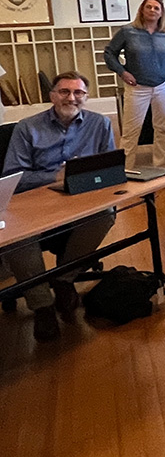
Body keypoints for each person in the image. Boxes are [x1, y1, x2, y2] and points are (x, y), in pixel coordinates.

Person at [2, 71, 116, 341]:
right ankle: (42, 305)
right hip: (34, 199)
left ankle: (64, 278)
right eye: (64, 92)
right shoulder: (27, 127)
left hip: (80, 197)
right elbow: (13, 175)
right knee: (18, 237)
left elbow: (109, 167)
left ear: (86, 97)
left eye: (78, 93)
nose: (71, 98)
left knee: (105, 215)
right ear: (52, 96)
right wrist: (53, 177)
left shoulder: (100, 124)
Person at [104, 0, 165, 171]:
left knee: (163, 128)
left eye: (156, 8)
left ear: (161, 13)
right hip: (137, 88)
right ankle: (124, 169)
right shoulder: (128, 32)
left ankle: (162, 167)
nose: (152, 10)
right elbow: (109, 53)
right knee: (131, 130)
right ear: (142, 10)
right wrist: (122, 72)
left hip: (164, 86)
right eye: (148, 7)